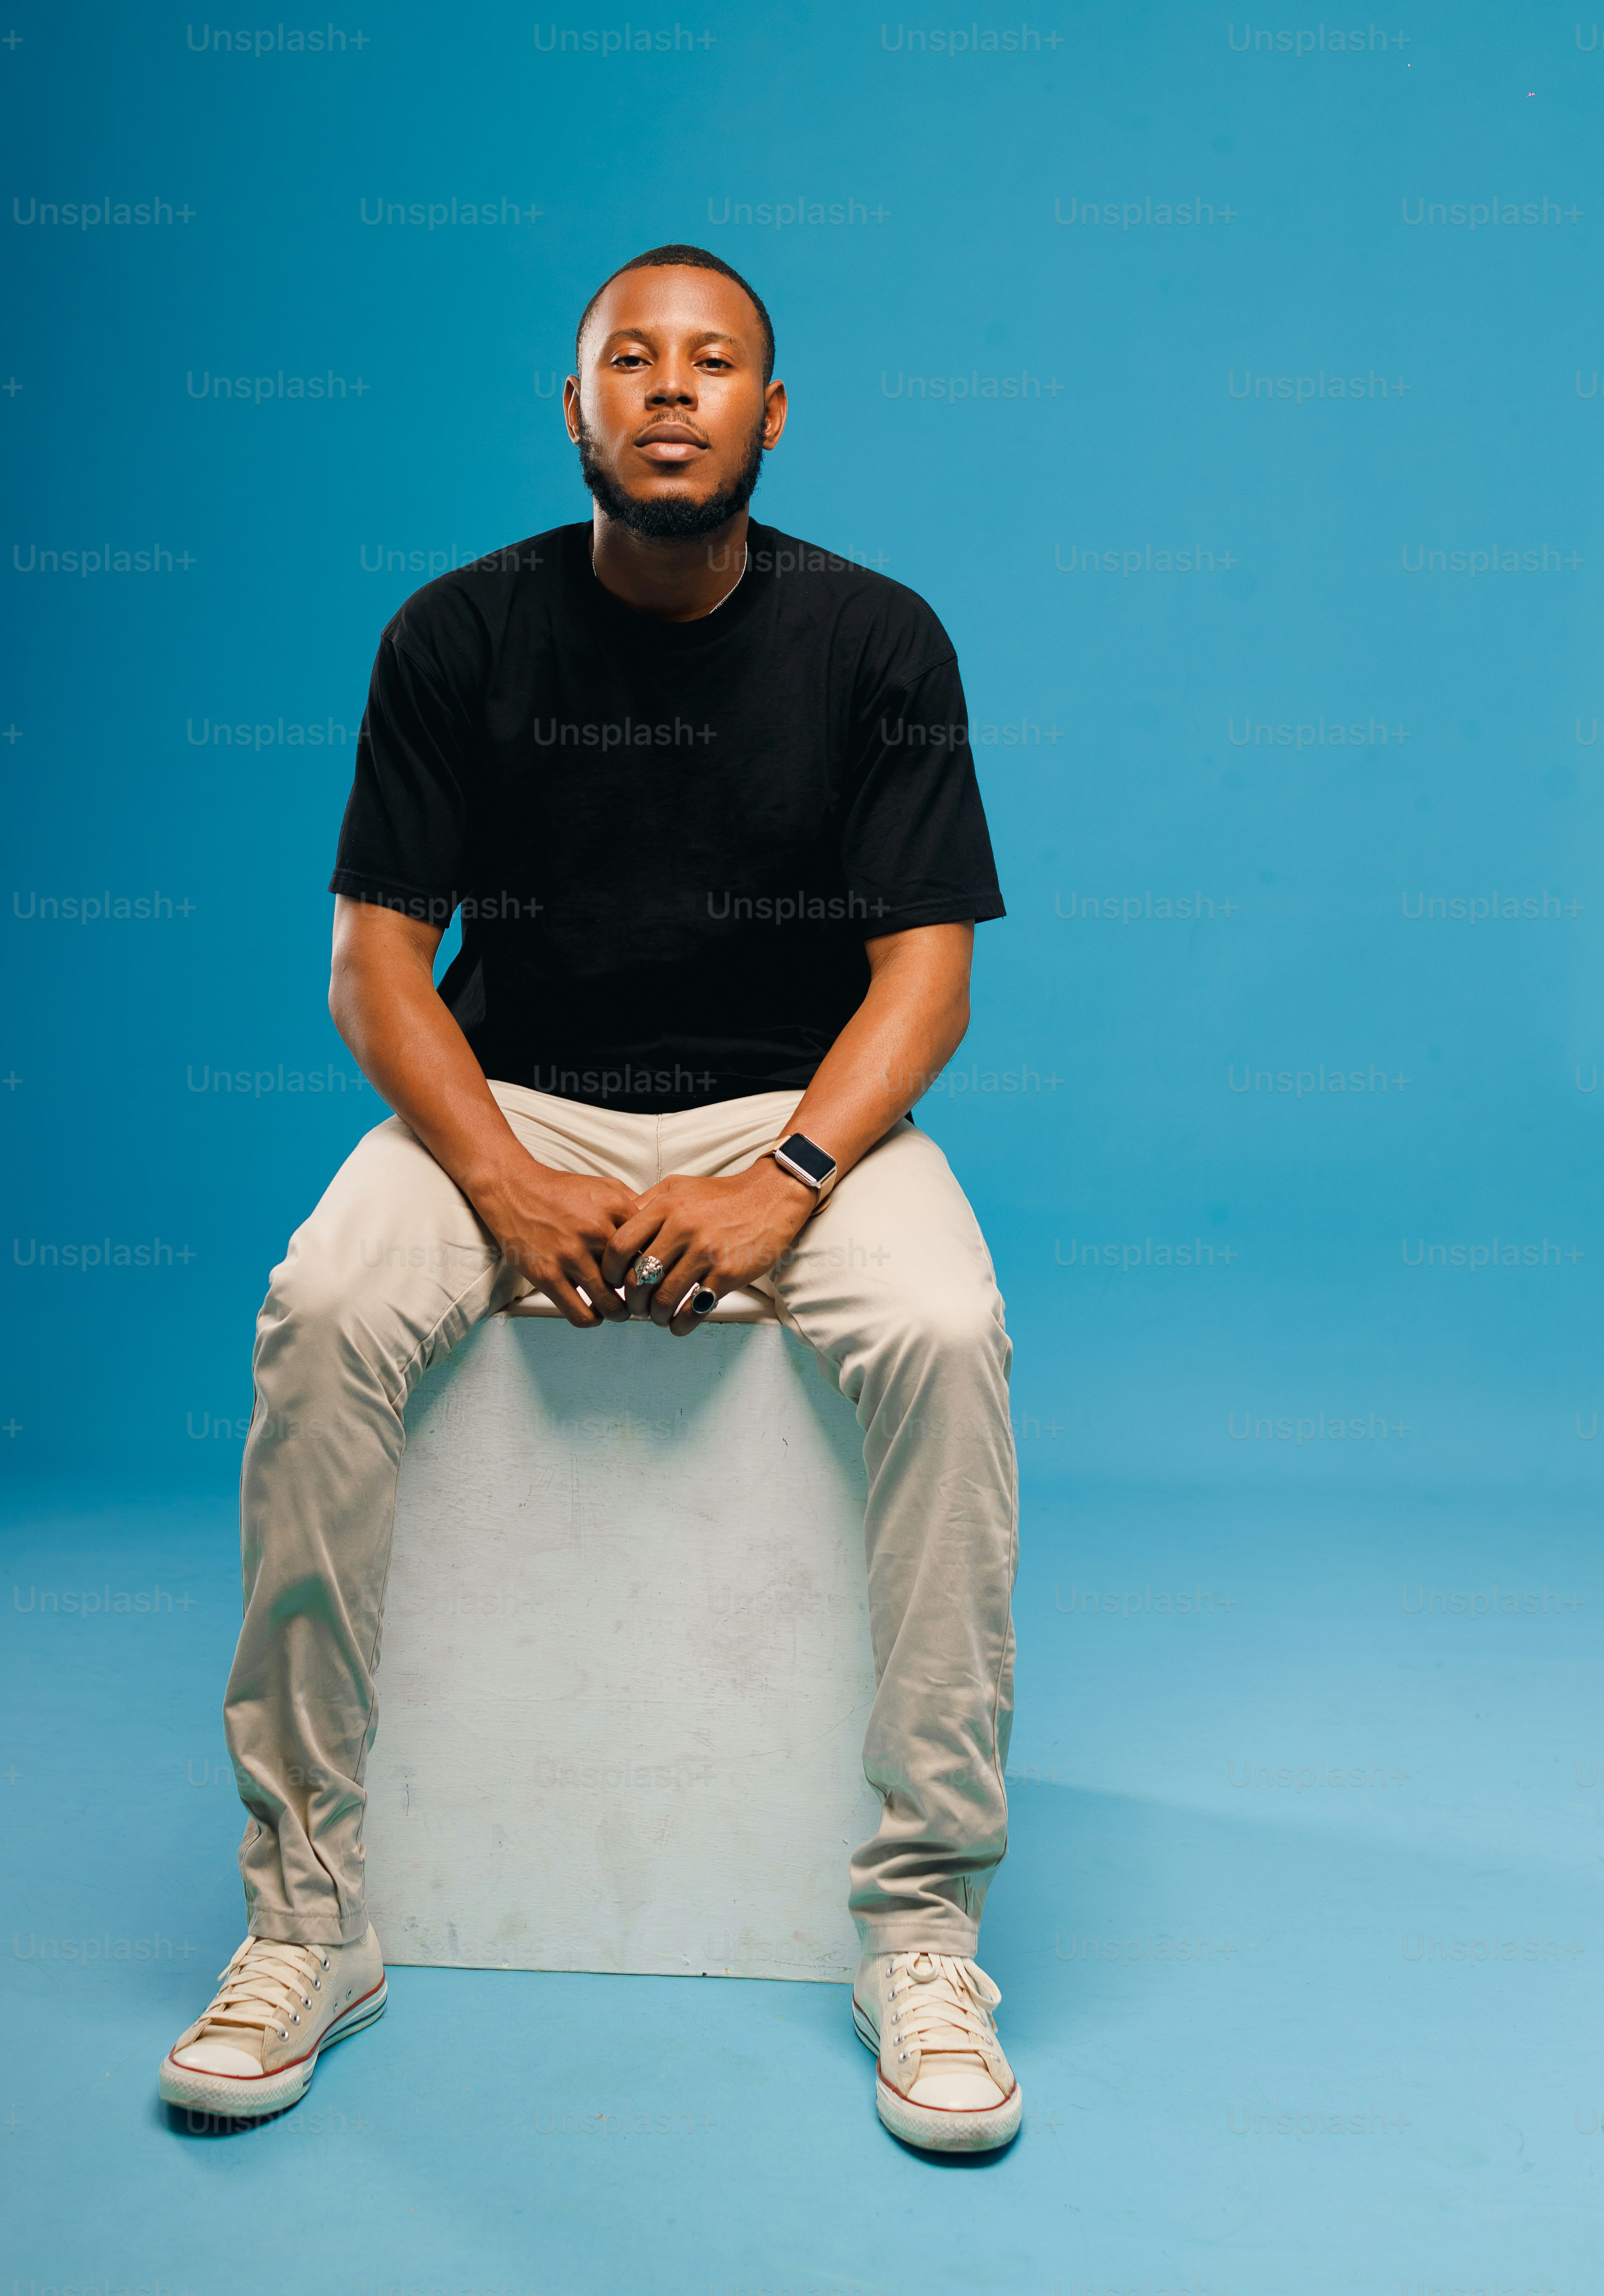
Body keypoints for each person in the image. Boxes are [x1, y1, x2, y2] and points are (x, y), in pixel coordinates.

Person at [158, 244, 1022, 2153]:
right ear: (574, 410)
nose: (668, 389)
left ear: (769, 414)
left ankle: (920, 1920)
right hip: (510, 1105)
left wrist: (790, 1177)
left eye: (713, 363)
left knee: (951, 1328)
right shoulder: (456, 636)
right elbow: (377, 963)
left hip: (803, 1115)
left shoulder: (877, 639)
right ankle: (307, 1914)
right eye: (627, 359)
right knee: (315, 1307)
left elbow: (926, 975)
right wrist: (499, 1174)